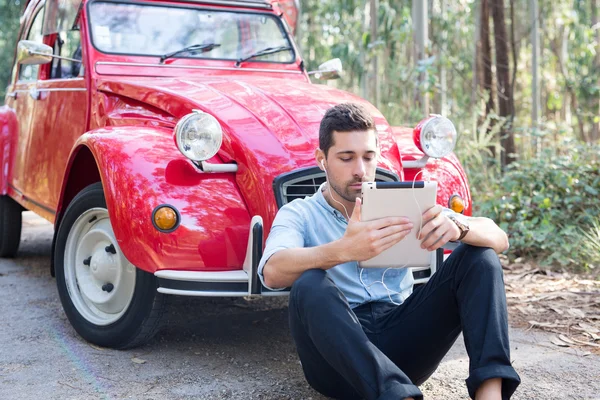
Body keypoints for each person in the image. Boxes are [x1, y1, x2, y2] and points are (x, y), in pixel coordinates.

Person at [258, 103, 520, 400]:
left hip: (402, 341)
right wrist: (343, 250)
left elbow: (499, 238)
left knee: (480, 256)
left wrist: (458, 227)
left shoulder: (403, 202)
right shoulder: (300, 213)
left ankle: (490, 395)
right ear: (322, 160)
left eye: (368, 157)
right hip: (336, 359)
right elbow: (273, 270)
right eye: (346, 158)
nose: (360, 170)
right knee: (309, 284)